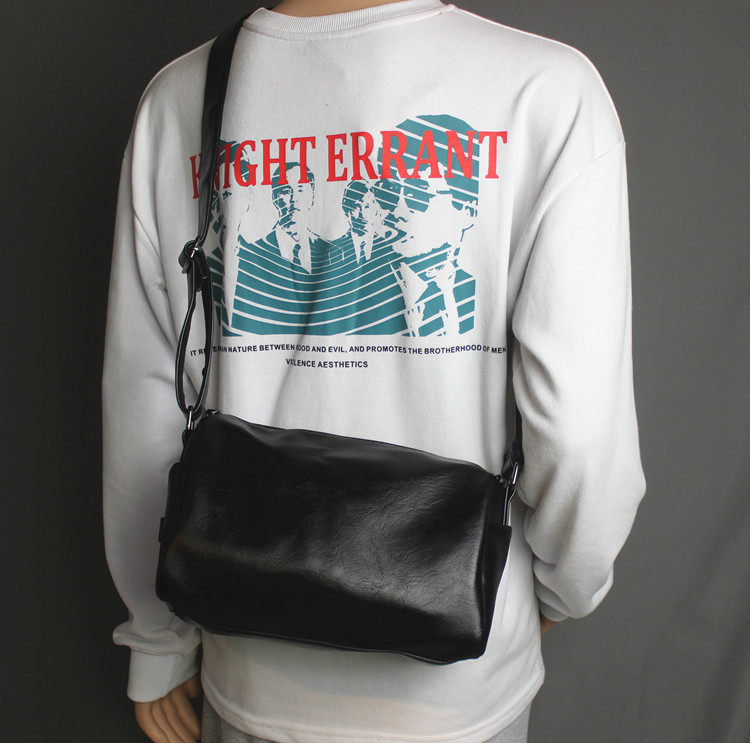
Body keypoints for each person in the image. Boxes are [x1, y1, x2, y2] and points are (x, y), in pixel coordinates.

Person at [101, 0, 647, 741]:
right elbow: (580, 433)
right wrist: (555, 592)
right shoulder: (547, 90)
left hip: (247, 660)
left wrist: (159, 639)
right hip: (463, 683)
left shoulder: (179, 98)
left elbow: (144, 410)